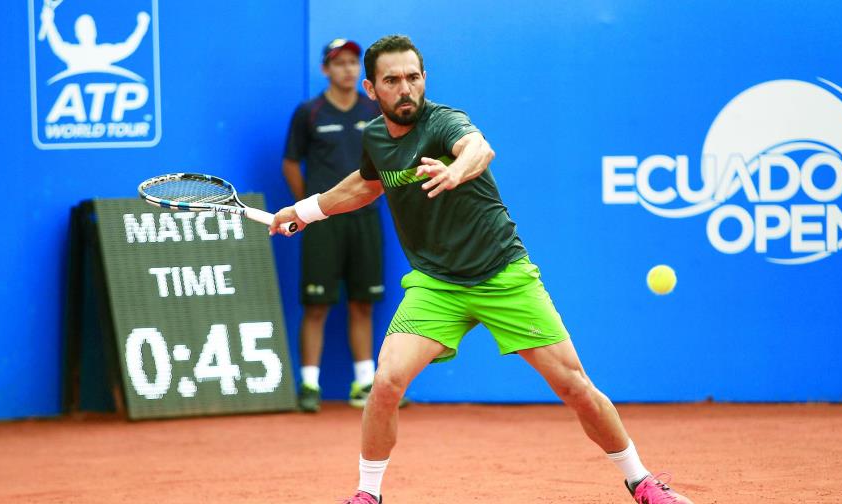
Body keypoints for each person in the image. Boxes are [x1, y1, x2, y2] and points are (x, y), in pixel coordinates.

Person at [271, 35, 693, 504]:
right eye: (392, 80)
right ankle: (367, 495)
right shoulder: (374, 137)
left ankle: (641, 480)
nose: (405, 88)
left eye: (413, 77)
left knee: (574, 386)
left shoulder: (444, 121)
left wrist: (456, 171)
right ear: (373, 89)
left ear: (424, 79)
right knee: (387, 381)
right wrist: (305, 211)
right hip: (437, 285)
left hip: (502, 275)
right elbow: (367, 185)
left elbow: (478, 148)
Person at [282, 38, 385, 413]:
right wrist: (306, 209)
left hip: (365, 220)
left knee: (362, 303)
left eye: (354, 63)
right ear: (326, 69)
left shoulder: (375, 111)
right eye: (339, 63)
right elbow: (291, 163)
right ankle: (309, 385)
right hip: (322, 222)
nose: (348, 69)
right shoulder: (309, 113)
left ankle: (365, 383)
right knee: (316, 305)